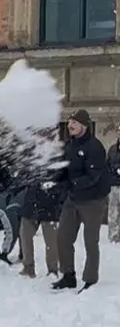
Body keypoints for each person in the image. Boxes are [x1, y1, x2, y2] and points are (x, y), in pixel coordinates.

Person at [54, 109, 110, 291]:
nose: (70, 125)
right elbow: (65, 168)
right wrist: (57, 178)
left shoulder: (95, 147)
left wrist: (71, 184)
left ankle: (90, 279)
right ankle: (68, 275)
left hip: (93, 200)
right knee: (63, 236)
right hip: (73, 198)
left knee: (90, 240)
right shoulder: (70, 145)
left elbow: (93, 176)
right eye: (70, 122)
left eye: (75, 123)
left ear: (84, 126)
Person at [18, 177, 64, 279]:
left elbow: (62, 182)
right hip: (30, 205)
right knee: (25, 235)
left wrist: (58, 199)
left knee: (51, 241)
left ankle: (53, 270)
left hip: (50, 206)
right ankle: (28, 267)